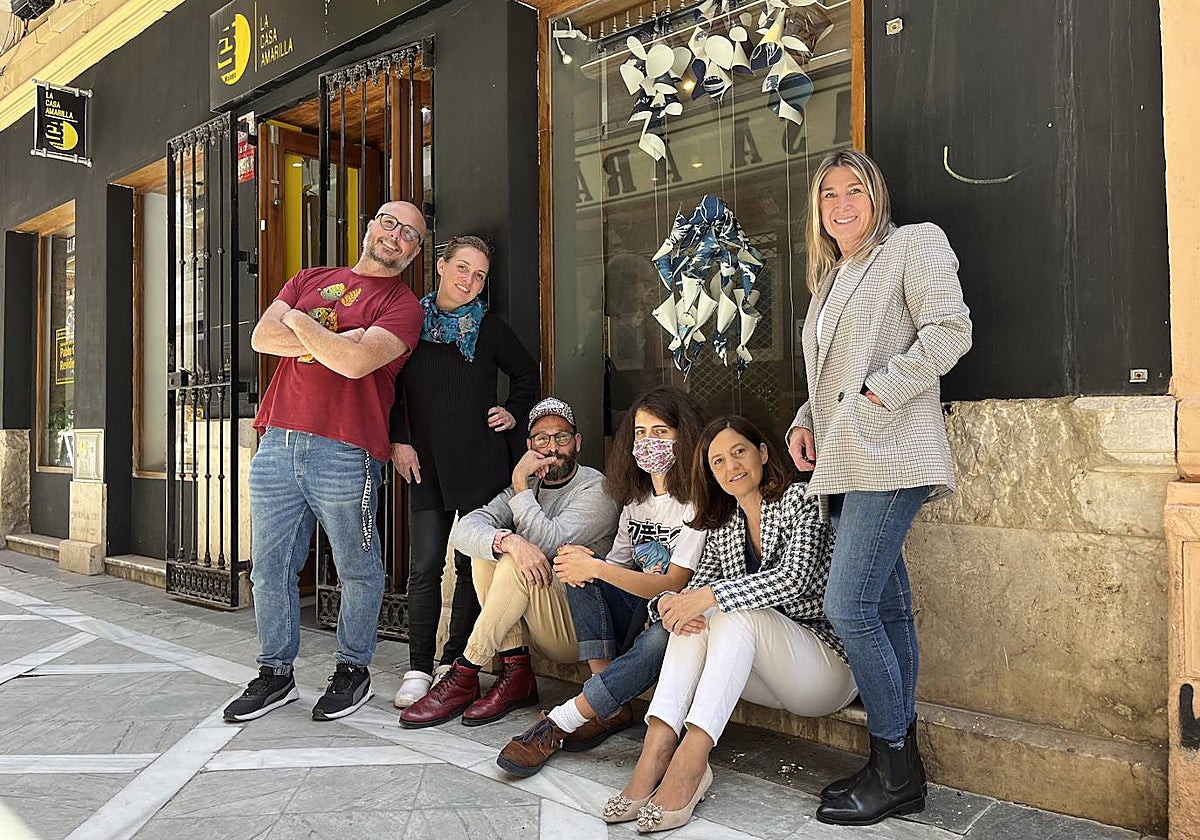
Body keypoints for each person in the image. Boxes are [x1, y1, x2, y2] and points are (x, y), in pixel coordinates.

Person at [786, 149, 972, 826]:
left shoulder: (912, 245)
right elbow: (826, 378)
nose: (840, 204)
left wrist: (877, 395)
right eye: (828, 194)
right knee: (887, 610)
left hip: (891, 454)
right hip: (845, 458)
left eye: (853, 190)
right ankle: (899, 768)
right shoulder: (830, 278)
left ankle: (893, 761)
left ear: (876, 196)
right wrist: (806, 420)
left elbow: (951, 331)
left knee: (849, 606)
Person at [224, 201, 427, 724]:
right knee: (269, 570)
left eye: (410, 234)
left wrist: (300, 323)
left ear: (415, 252)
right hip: (277, 443)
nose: (396, 236)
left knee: (357, 568)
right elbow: (261, 338)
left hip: (346, 447)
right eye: (389, 222)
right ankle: (275, 674)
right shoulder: (311, 277)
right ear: (368, 227)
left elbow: (357, 363)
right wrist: (333, 338)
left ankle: (352, 671)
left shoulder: (403, 306)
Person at [610, 416, 857, 833]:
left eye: (739, 452)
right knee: (698, 619)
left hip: (825, 670)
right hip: (762, 676)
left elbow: (793, 581)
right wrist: (669, 603)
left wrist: (706, 597)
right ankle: (656, 749)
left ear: (762, 453)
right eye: (718, 461)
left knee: (727, 609)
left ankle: (691, 760)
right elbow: (697, 594)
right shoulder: (727, 524)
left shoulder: (800, 500)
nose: (731, 467)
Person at [495, 387, 707, 777]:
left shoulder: (697, 499)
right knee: (577, 566)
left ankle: (561, 721)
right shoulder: (637, 499)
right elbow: (615, 567)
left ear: (684, 437)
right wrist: (590, 569)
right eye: (640, 433)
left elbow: (675, 582)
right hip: (635, 610)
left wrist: (600, 571)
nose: (648, 442)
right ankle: (608, 701)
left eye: (660, 432)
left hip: (677, 614)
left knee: (660, 632)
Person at [398, 397, 621, 728]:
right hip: (535, 623)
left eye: (561, 437)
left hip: (578, 630)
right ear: (529, 445)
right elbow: (466, 530)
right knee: (493, 552)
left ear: (577, 442)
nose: (552, 447)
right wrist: (509, 540)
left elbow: (547, 541)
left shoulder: (597, 488)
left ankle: (466, 670)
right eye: (542, 439)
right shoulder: (527, 485)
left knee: (515, 561)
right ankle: (516, 674)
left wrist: (519, 486)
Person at [388, 235, 538, 709]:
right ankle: (418, 666)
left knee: (471, 565)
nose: (469, 280)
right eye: (463, 268)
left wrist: (513, 412)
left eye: (479, 275)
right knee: (425, 564)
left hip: (480, 463)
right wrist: (398, 441)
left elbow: (526, 374)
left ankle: (457, 662)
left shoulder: (489, 329)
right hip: (425, 464)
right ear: (440, 266)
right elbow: (386, 384)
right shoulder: (410, 324)